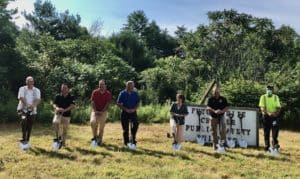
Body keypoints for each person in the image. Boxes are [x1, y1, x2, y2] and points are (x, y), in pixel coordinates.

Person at [17, 76, 41, 147]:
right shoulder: (22, 89)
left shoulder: (37, 90)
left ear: (33, 82)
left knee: (30, 125)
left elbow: (38, 100)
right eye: (28, 81)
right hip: (22, 109)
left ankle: (27, 140)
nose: (29, 83)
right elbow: (21, 97)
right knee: (24, 120)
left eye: (31, 81)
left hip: (32, 111)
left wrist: (33, 106)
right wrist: (27, 105)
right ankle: (23, 138)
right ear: (26, 82)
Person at [117, 81, 140, 149]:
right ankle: (126, 142)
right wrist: (125, 109)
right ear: (127, 86)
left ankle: (133, 139)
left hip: (133, 112)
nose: (132, 87)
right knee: (125, 129)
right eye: (130, 86)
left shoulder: (135, 93)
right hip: (125, 112)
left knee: (136, 124)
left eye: (133, 86)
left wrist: (134, 109)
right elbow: (118, 103)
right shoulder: (122, 93)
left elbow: (138, 103)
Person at [259, 84, 281, 152]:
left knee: (275, 132)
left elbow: (279, 107)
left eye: (270, 89)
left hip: (274, 117)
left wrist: (275, 113)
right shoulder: (263, 97)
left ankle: (275, 146)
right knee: (266, 132)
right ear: (266, 90)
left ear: (272, 90)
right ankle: (267, 146)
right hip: (266, 116)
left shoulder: (275, 97)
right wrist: (268, 113)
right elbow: (262, 107)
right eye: (268, 89)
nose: (269, 91)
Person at [90, 79, 112, 146]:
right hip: (95, 110)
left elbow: (107, 104)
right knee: (93, 122)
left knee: (101, 127)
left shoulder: (108, 93)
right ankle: (95, 137)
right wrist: (95, 110)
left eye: (102, 84)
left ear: (105, 85)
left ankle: (99, 140)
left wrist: (102, 111)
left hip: (103, 111)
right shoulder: (95, 92)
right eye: (100, 84)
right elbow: (92, 102)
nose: (101, 86)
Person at [207, 85, 229, 151]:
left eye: (217, 91)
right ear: (212, 92)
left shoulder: (223, 99)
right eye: (215, 92)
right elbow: (208, 107)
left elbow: (227, 107)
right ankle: (215, 145)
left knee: (223, 130)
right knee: (213, 131)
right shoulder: (210, 99)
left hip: (221, 116)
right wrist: (215, 111)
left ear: (219, 92)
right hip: (213, 116)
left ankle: (222, 145)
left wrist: (221, 111)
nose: (216, 93)